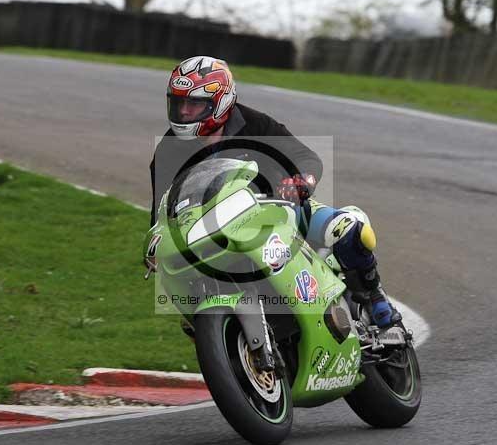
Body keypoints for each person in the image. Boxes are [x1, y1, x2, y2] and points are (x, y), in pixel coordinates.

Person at [148, 55, 400, 329]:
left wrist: (301, 182)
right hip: (216, 231)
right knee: (189, 312)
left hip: (279, 210)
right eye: (178, 103)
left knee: (349, 230)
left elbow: (306, 156)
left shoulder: (255, 124)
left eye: (194, 104)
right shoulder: (168, 150)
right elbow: (162, 209)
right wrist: (155, 245)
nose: (184, 112)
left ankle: (375, 299)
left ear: (220, 103)